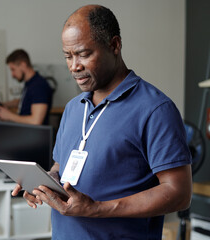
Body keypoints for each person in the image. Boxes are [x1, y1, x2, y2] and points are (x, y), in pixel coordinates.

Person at [12, 5, 193, 240]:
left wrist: (96, 208)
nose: (74, 66)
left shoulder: (155, 109)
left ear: (114, 45)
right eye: (68, 56)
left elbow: (179, 193)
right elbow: (61, 167)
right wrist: (47, 184)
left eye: (84, 54)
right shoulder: (73, 108)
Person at [0, 49, 53, 125]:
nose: (12, 75)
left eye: (13, 69)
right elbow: (25, 101)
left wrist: (9, 115)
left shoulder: (38, 86)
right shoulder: (30, 83)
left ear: (23, 65)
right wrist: (3, 104)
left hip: (34, 136)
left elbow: (36, 121)